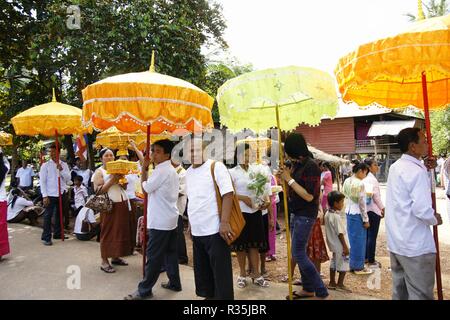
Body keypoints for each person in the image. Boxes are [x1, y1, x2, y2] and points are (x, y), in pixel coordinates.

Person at [386, 128, 443, 300]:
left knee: (400, 293)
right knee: (420, 294)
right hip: (415, 246)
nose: (427, 144)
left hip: (397, 242)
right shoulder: (415, 171)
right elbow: (421, 210)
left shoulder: (396, 167)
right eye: (424, 141)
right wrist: (434, 219)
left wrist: (426, 169)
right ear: (413, 146)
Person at [125, 139, 181, 300]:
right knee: (170, 253)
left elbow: (145, 188)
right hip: (169, 217)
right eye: (153, 150)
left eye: (157, 151)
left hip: (161, 220)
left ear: (167, 154)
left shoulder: (162, 171)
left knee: (154, 256)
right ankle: (175, 282)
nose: (153, 154)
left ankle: (144, 290)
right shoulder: (169, 170)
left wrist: (143, 168)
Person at [278, 133, 328, 299]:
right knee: (300, 253)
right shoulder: (297, 165)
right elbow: (290, 193)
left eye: (288, 151)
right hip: (296, 213)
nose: (286, 155)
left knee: (298, 253)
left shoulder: (311, 166)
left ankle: (322, 291)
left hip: (305, 215)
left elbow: (309, 196)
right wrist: (284, 179)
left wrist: (289, 179)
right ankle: (308, 288)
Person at [185, 137, 235, 300]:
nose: (194, 154)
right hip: (198, 231)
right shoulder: (188, 173)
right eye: (190, 150)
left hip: (215, 230)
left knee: (221, 275)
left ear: (205, 150)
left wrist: (224, 222)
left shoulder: (216, 167)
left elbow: (228, 194)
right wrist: (191, 224)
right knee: (203, 273)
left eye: (197, 150)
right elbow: (192, 199)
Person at [229, 143, 270, 289]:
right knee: (241, 246)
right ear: (237, 156)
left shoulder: (256, 170)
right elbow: (229, 194)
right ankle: (242, 274)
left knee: (254, 245)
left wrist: (265, 201)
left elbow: (264, 189)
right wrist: (243, 198)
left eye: (248, 155)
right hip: (241, 213)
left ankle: (256, 274)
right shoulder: (232, 172)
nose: (246, 158)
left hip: (255, 212)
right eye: (243, 155)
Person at [92, 148, 135, 273]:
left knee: (119, 231)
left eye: (111, 155)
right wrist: (112, 179)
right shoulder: (99, 172)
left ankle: (116, 256)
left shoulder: (118, 169)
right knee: (107, 231)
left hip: (122, 202)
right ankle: (104, 261)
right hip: (108, 205)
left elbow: (125, 186)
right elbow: (98, 191)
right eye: (106, 155)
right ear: (101, 158)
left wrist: (121, 178)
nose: (110, 157)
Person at [342, 162, 372, 275]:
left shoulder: (347, 181)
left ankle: (352, 263)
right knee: (359, 240)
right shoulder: (359, 184)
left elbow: (345, 194)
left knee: (352, 239)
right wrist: (366, 219)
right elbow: (362, 203)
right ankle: (358, 266)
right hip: (357, 213)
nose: (365, 175)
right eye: (365, 172)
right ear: (361, 171)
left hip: (349, 211)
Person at [39, 143, 71, 245]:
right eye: (51, 152)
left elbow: (68, 179)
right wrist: (44, 195)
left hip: (61, 193)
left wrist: (61, 169)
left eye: (54, 152)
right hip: (50, 194)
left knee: (60, 215)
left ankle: (57, 233)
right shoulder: (45, 165)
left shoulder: (64, 165)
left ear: (59, 152)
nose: (52, 154)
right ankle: (46, 237)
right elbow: (42, 181)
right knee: (48, 216)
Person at [324, 191, 351, 292]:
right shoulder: (336, 217)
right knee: (344, 262)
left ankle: (332, 282)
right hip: (340, 245)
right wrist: (345, 247)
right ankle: (340, 283)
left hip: (334, 245)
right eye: (342, 202)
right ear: (335, 203)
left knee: (334, 262)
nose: (343, 204)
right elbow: (340, 233)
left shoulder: (328, 213)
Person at [363, 157, 385, 269]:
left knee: (367, 235)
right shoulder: (371, 179)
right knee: (372, 236)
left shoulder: (364, 178)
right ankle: (371, 260)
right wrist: (382, 208)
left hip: (366, 210)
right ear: (369, 167)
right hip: (373, 210)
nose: (377, 167)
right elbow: (375, 197)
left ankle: (366, 257)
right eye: (375, 165)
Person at [172, 155, 188, 265]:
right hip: (169, 206)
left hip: (177, 206)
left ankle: (182, 257)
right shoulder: (170, 171)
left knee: (178, 232)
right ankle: (175, 255)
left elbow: (181, 191)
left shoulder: (183, 172)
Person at [0, 148, 10, 260]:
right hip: (1, 199)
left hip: (1, 199)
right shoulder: (5, 165)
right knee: (1, 226)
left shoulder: (4, 166)